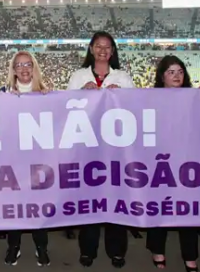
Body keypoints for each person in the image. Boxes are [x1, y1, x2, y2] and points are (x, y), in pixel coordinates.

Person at [67, 32, 130, 268]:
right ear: (91, 49)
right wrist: (80, 93)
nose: (103, 50)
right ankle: (87, 249)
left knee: (117, 200)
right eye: (98, 46)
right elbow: (64, 107)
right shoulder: (78, 76)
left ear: (112, 51)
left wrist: (121, 95)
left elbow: (137, 107)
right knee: (89, 201)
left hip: (116, 148)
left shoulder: (123, 77)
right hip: (88, 146)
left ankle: (117, 250)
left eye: (107, 47)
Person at [147, 56, 199, 272]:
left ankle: (190, 257)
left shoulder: (197, 98)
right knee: (159, 209)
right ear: (162, 77)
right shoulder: (150, 99)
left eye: (180, 71)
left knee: (188, 211)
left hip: (188, 161)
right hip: (159, 162)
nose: (176, 76)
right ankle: (157, 251)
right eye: (171, 72)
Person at [0, 51, 50, 266]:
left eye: (27, 64)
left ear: (34, 67)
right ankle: (14, 246)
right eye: (18, 65)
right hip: (13, 160)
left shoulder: (47, 93)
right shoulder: (2, 93)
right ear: (13, 69)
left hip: (39, 160)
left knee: (39, 205)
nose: (23, 68)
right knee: (15, 206)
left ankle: (41, 247)